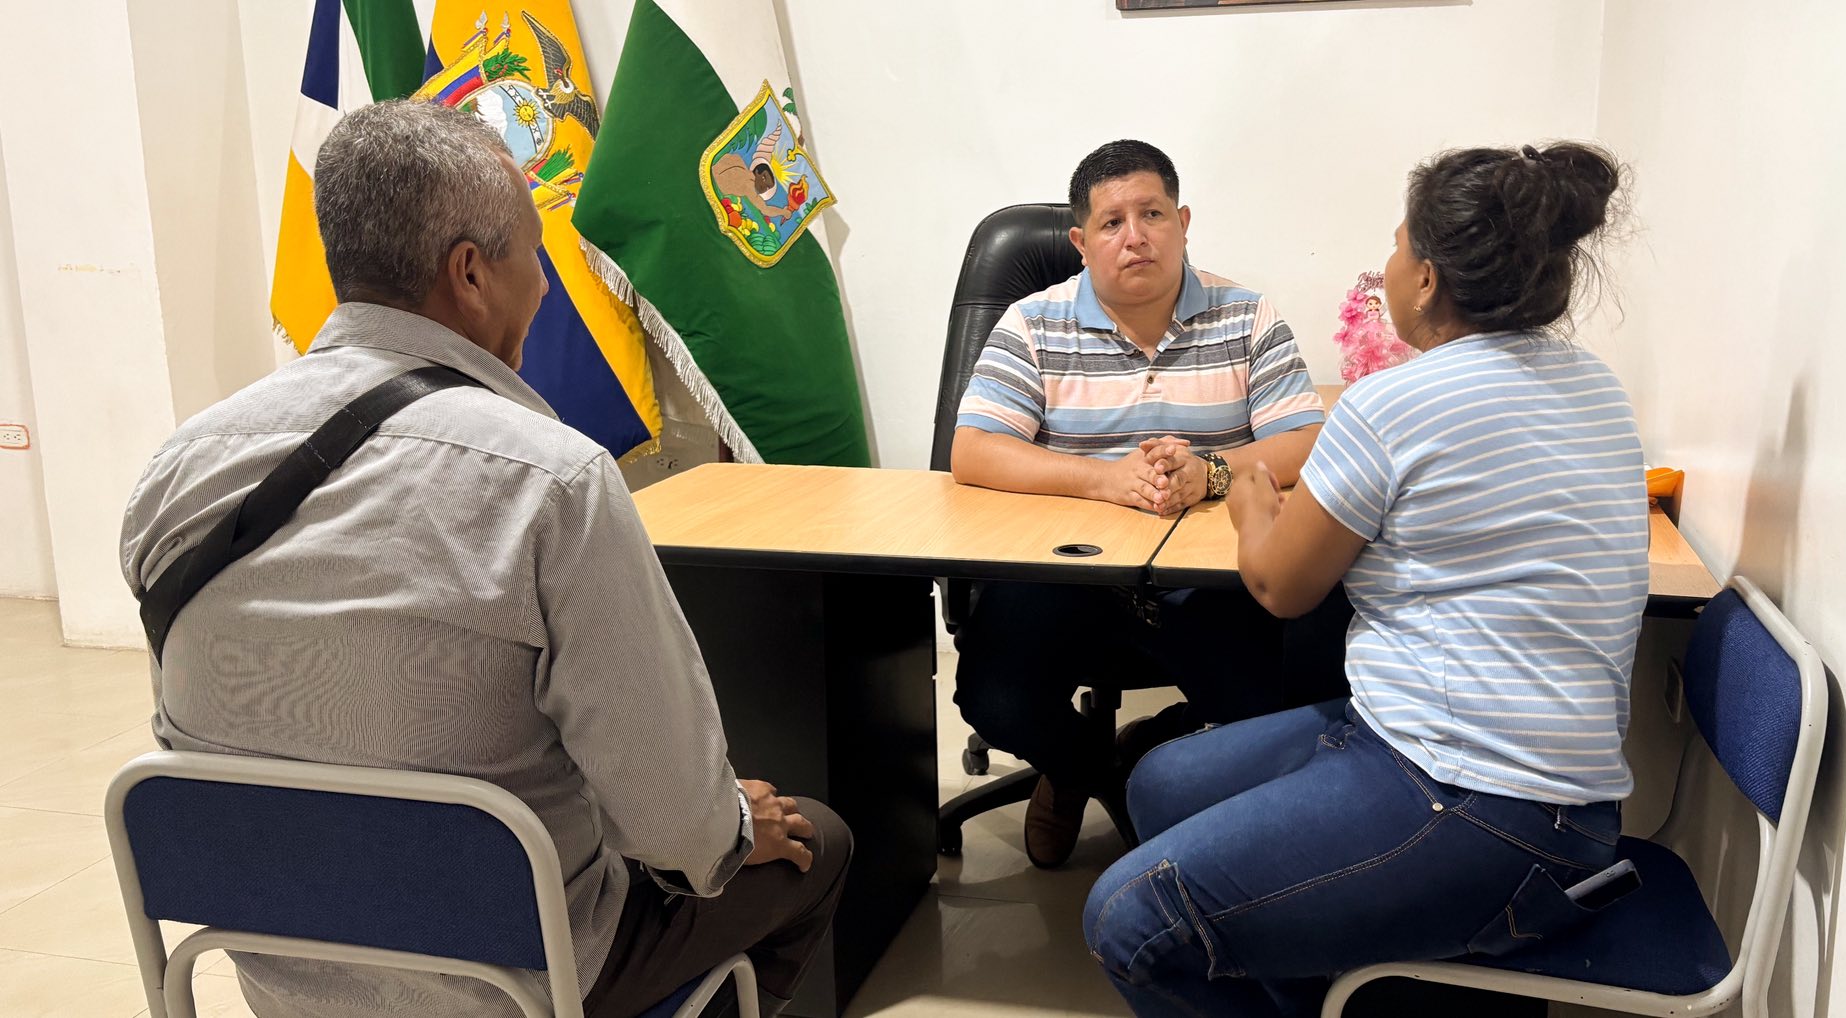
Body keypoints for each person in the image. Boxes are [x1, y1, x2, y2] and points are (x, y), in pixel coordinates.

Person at [119, 100, 848, 1018]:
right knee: (815, 841)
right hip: (520, 977)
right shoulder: (551, 480)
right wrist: (729, 826)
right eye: (536, 256)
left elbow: (196, 732)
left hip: (280, 963)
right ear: (470, 274)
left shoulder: (178, 468)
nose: (544, 287)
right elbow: (677, 828)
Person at [1082, 142, 1647, 1017]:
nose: (1385, 267)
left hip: (1480, 803)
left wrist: (1248, 499)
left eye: (1396, 244)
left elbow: (1280, 586)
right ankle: (1309, 981)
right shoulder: (1596, 385)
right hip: (1526, 781)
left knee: (1124, 920)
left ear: (1426, 278)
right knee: (1161, 782)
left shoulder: (1391, 402)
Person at [949, 140, 1328, 869]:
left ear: (1182, 223)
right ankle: (1081, 768)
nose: (1136, 236)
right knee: (996, 696)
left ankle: (1154, 744)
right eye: (1112, 222)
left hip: (1204, 581)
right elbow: (975, 450)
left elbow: (1307, 441)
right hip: (1066, 575)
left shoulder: (1247, 316)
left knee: (1274, 707)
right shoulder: (1033, 322)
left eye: (1152, 214)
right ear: (1081, 242)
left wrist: (1212, 473)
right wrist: (1103, 480)